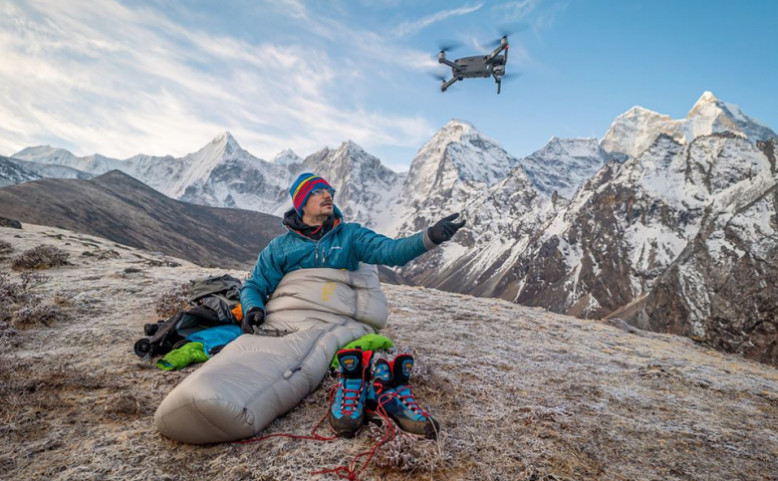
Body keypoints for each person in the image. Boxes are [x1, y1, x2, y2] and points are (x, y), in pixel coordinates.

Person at [239, 172, 465, 438]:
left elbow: (391, 251)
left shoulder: (350, 236)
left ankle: (364, 386)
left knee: (354, 354)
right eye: (319, 191)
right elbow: (255, 285)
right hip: (296, 323)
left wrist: (431, 236)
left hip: (339, 321)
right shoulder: (279, 248)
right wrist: (253, 307)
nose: (328, 196)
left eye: (330, 192)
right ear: (301, 202)